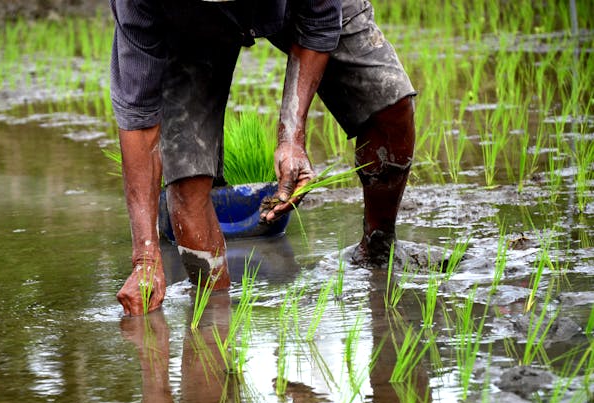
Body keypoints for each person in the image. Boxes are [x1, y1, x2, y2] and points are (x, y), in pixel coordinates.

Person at [110, 0, 416, 315]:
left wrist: (291, 137)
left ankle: (377, 251)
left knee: (390, 103)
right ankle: (214, 318)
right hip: (186, 28)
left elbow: (321, 19)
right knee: (187, 182)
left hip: (294, 6)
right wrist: (145, 259)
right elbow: (139, 118)